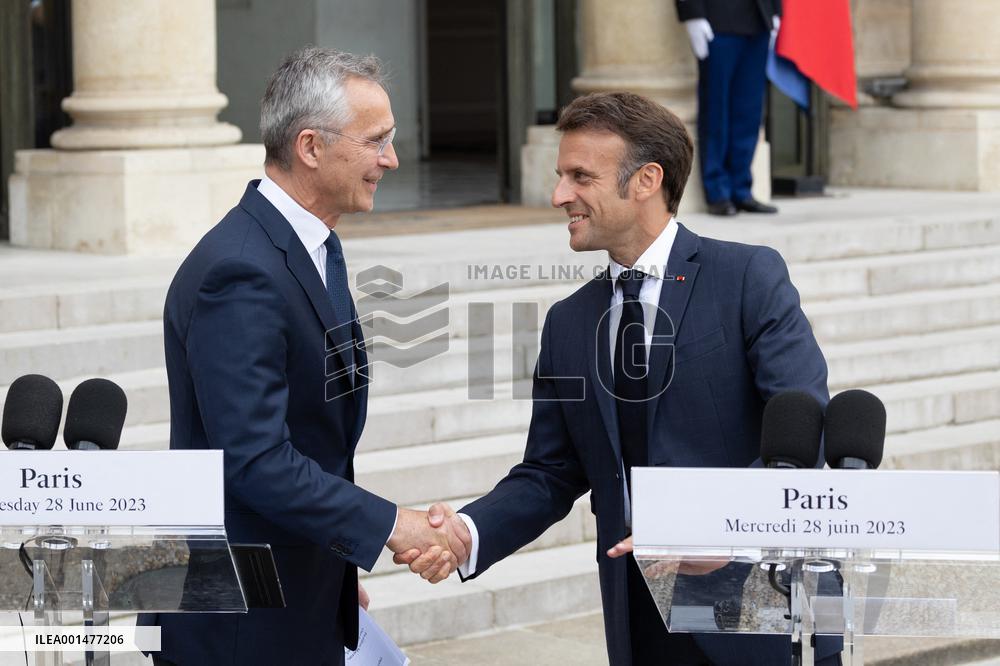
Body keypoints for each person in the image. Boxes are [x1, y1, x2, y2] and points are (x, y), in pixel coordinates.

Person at [405, 92, 840, 664]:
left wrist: (719, 528)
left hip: (758, 606)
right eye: (561, 176)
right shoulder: (569, 321)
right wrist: (467, 531)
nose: (560, 196)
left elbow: (803, 427)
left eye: (580, 176)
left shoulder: (747, 278)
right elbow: (551, 471)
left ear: (646, 181)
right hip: (640, 621)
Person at [138, 48, 466, 666]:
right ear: (311, 146)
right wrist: (394, 525)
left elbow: (316, 443)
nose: (390, 159)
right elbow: (257, 460)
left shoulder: (311, 244)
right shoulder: (240, 270)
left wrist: (332, 572)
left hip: (293, 594)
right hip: (238, 622)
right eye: (376, 141)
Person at [676, 0, 781, 216]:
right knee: (716, 110)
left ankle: (741, 190)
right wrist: (693, 14)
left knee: (749, 112)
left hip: (758, 20)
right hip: (717, 21)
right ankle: (717, 191)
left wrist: (775, 11)